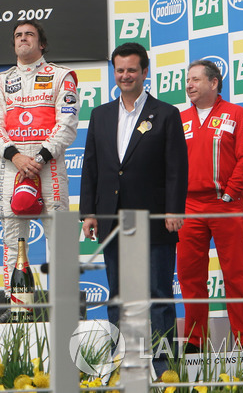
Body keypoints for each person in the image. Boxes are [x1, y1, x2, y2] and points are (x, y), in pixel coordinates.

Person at [80, 43, 188, 374]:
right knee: (119, 294)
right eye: (120, 70)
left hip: (155, 218)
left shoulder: (167, 114)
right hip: (112, 217)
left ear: (145, 72)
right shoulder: (100, 114)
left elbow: (176, 169)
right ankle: (124, 361)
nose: (125, 76)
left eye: (131, 70)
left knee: (157, 292)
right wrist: (88, 212)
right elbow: (92, 167)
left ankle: (163, 365)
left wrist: (174, 210)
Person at [0, 20, 79, 317]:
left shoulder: (62, 76)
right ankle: (17, 304)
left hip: (48, 164)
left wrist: (38, 158)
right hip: (12, 166)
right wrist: (15, 156)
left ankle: (65, 306)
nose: (23, 39)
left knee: (60, 236)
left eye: (29, 34)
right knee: (12, 237)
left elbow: (67, 123)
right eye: (18, 35)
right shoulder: (0, 81)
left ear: (42, 44)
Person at [177, 60, 243, 353]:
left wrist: (230, 194)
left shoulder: (236, 114)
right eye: (187, 80)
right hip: (189, 207)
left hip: (225, 205)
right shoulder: (179, 118)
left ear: (214, 83)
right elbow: (171, 166)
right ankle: (193, 341)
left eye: (196, 79)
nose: (189, 85)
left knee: (236, 273)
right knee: (190, 277)